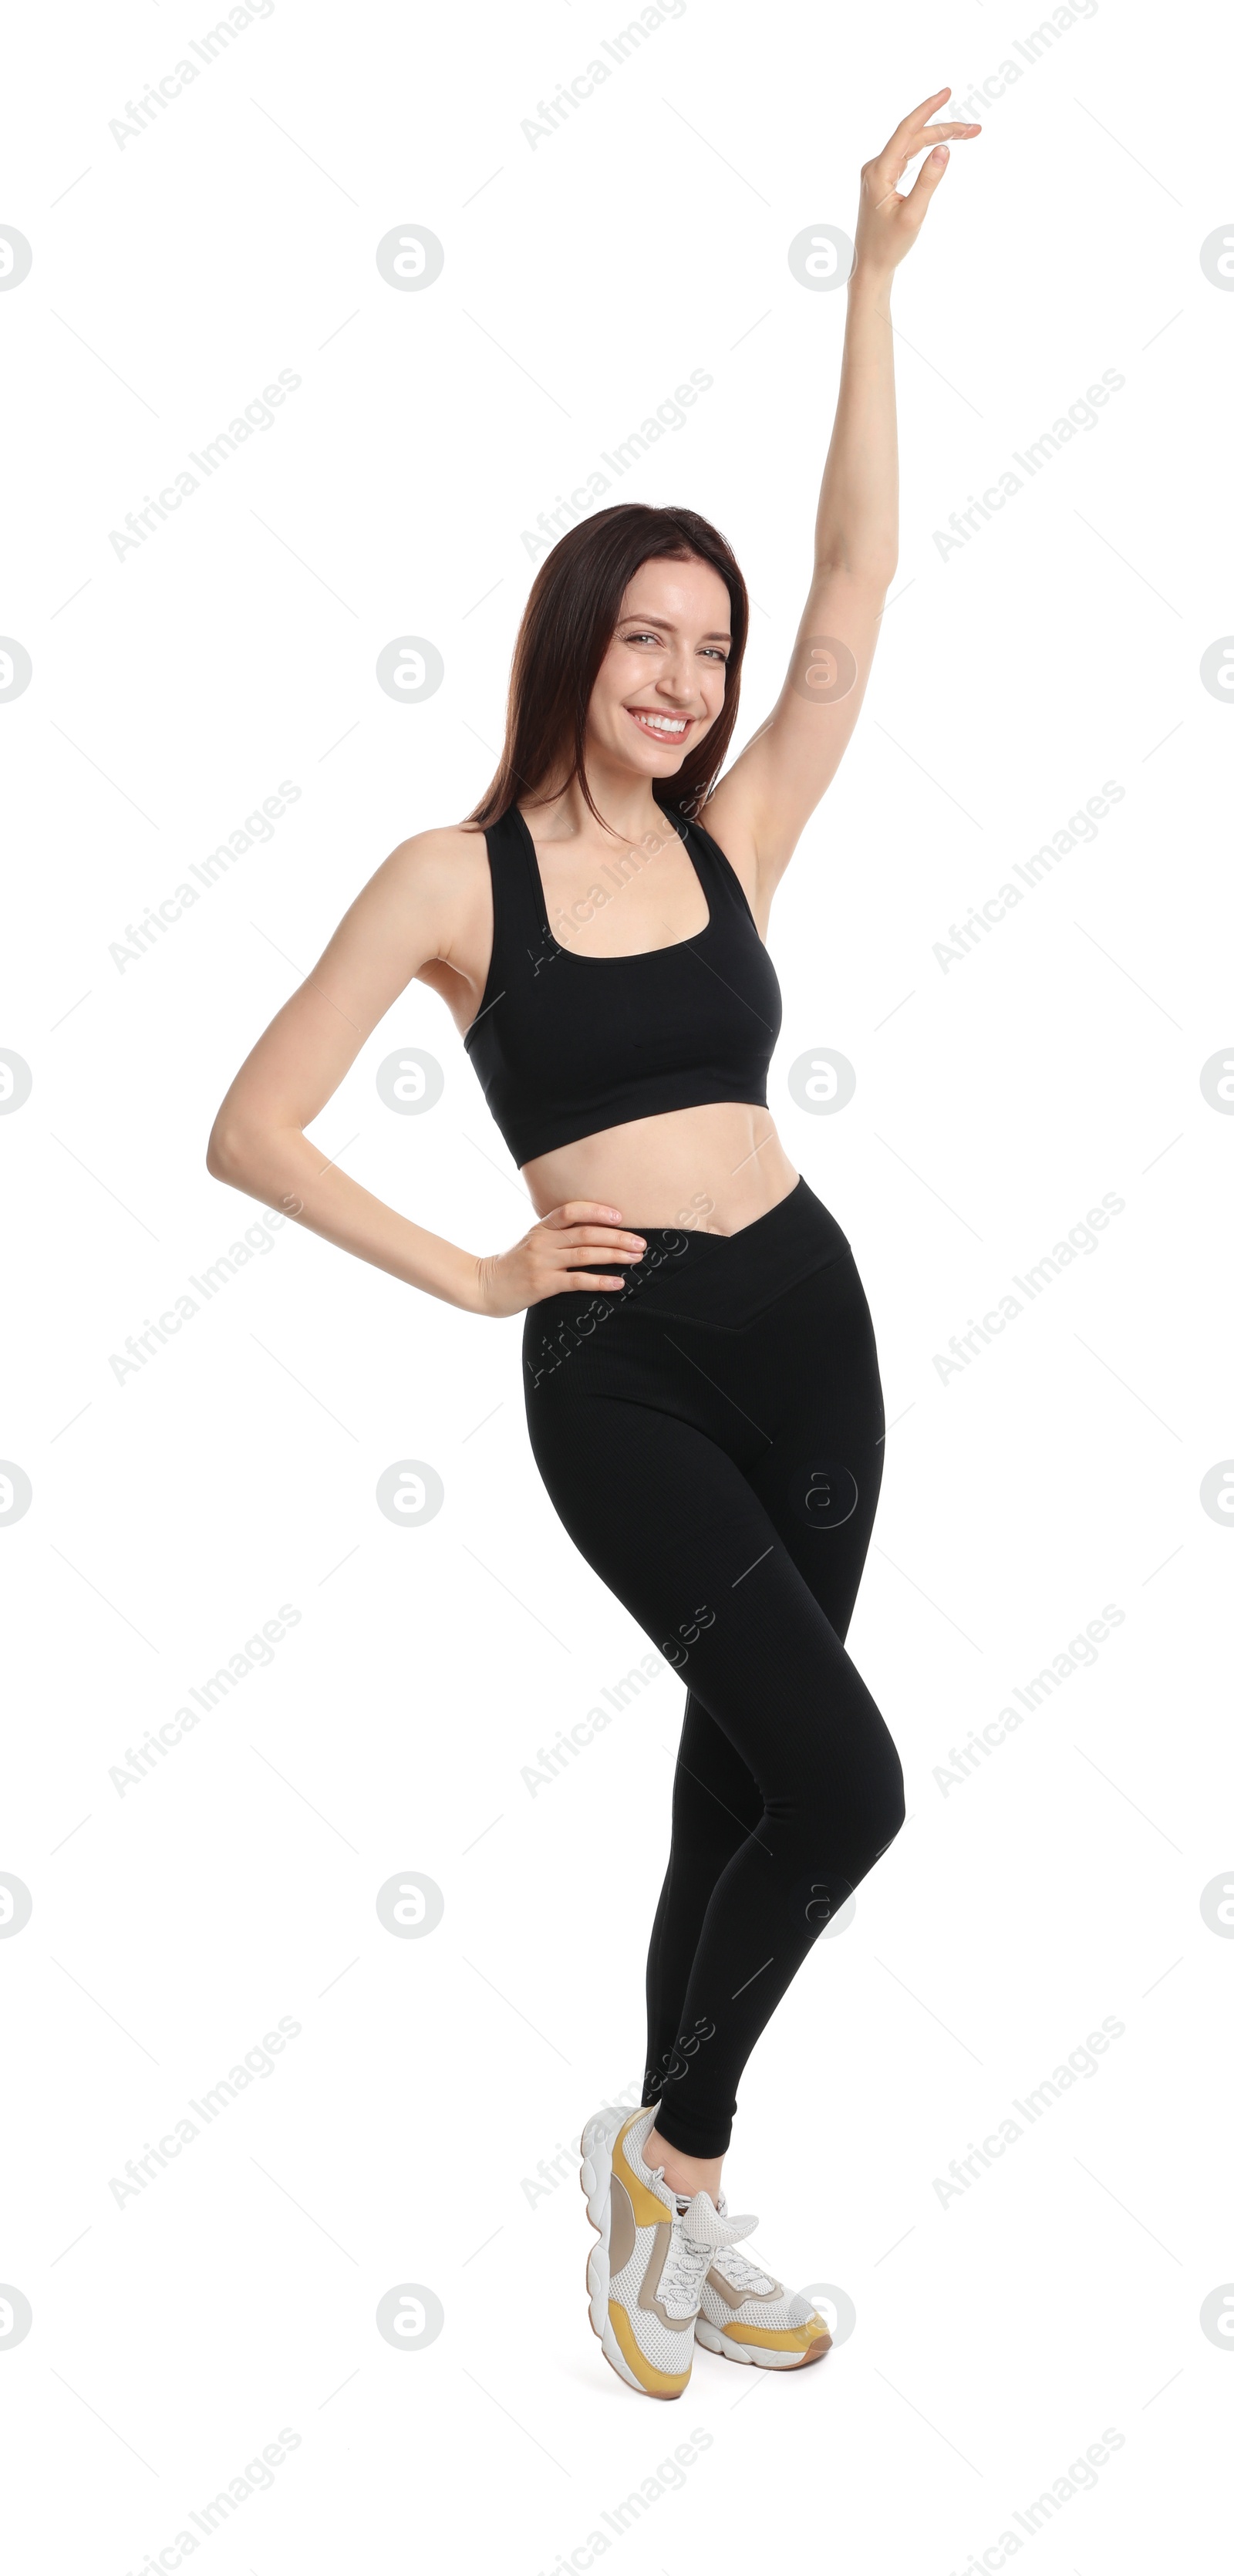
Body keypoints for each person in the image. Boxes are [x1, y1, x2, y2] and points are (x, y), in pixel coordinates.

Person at [207, 88, 980, 2400]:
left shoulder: (736, 835)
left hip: (810, 1327)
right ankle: (657, 2155)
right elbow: (248, 1123)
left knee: (741, 1780)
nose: (689, 680)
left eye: (707, 652)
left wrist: (869, 286)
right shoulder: (457, 881)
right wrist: (468, 1272)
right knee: (854, 1785)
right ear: (576, 640)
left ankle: (675, 2221)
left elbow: (859, 589)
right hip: (623, 1364)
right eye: (650, 639)